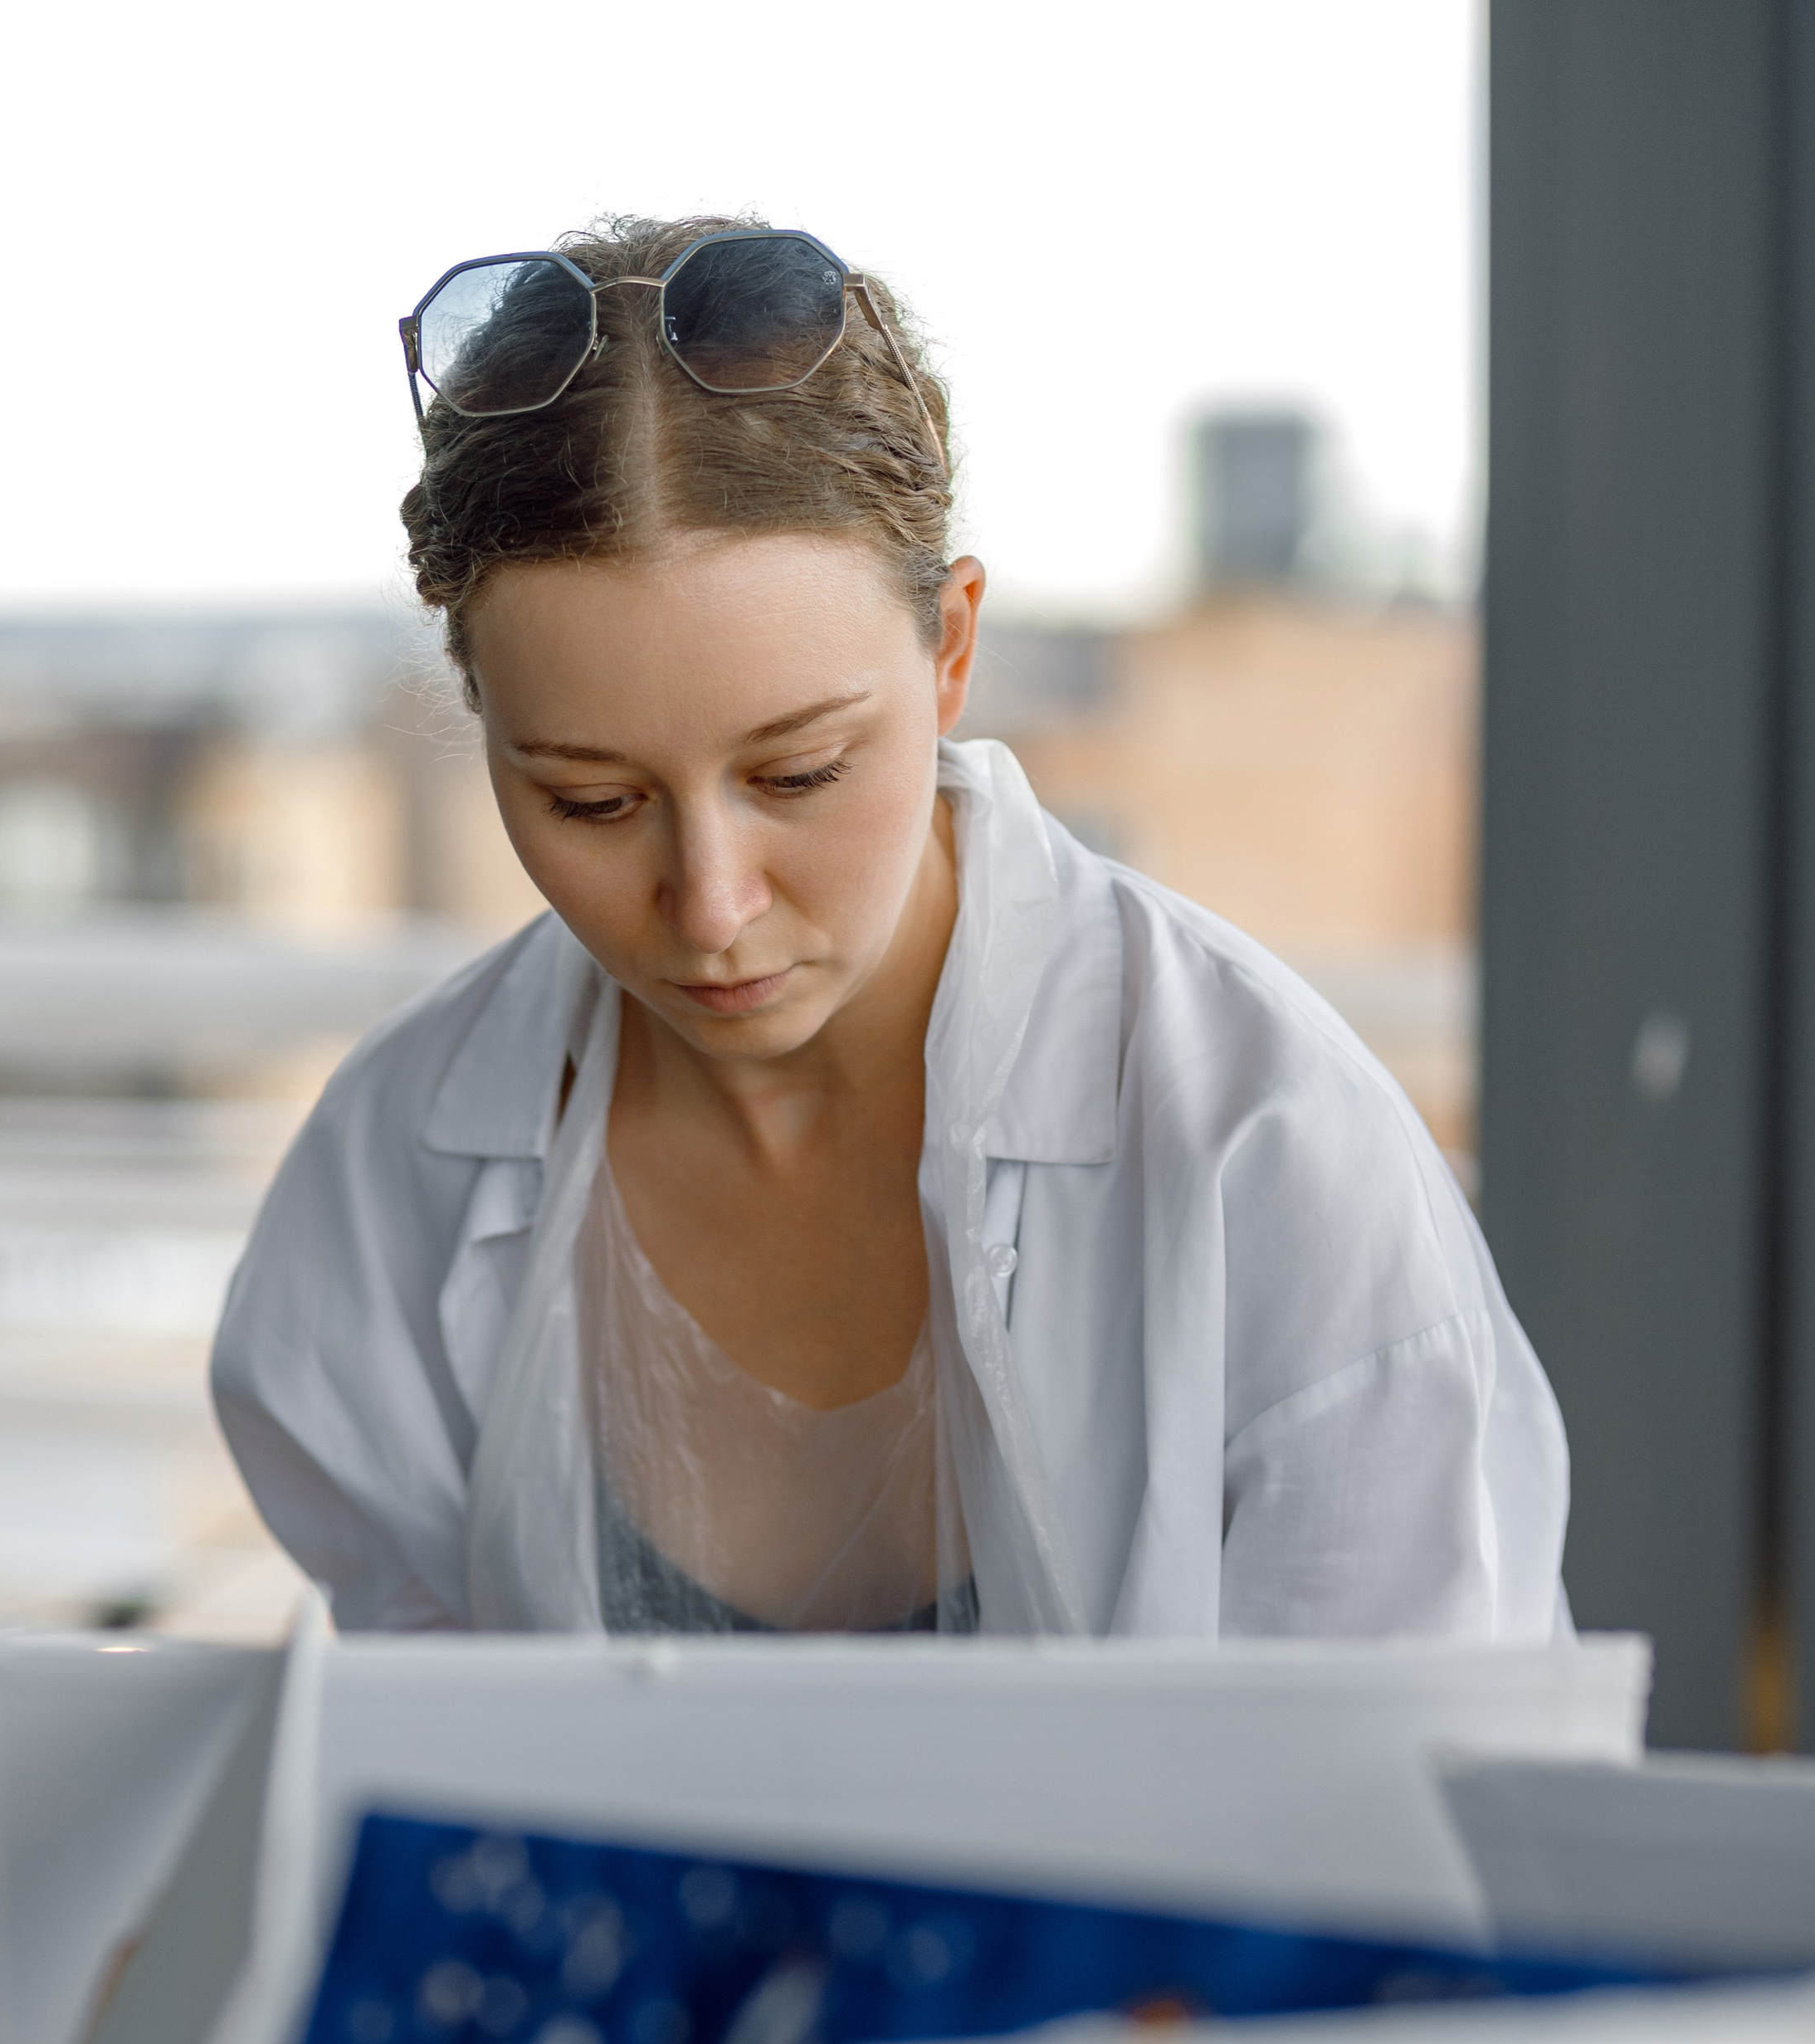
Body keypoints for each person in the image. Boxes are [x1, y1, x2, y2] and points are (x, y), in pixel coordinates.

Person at [212, 215, 1569, 1641]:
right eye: (593, 802)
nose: (713, 906)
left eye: (800, 774)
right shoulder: (391, 1171)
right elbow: (414, 1746)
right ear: (484, 722)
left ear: (953, 647)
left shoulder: (1274, 1153)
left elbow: (1397, 1758)